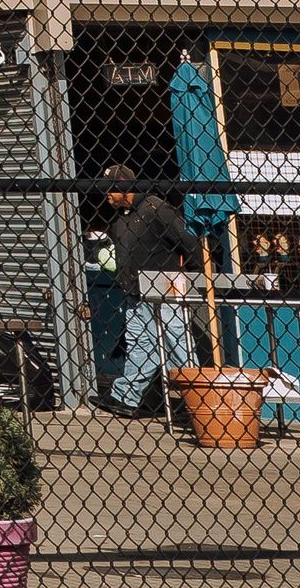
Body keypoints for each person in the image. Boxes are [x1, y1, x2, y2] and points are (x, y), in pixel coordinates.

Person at [102, 165, 199, 419]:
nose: (106, 196)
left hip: (164, 289)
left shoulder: (157, 209)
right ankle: (126, 398)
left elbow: (188, 242)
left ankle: (199, 401)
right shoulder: (121, 220)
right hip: (134, 292)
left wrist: (193, 277)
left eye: (110, 190)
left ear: (124, 186)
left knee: (178, 343)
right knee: (139, 344)